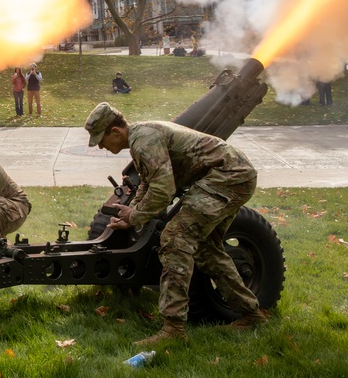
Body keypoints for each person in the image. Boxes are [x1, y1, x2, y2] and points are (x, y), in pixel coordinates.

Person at [85, 102, 268, 346]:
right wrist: (130, 214)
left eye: (101, 139)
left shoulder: (144, 140)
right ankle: (251, 314)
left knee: (174, 239)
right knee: (205, 248)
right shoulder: (140, 139)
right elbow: (148, 185)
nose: (101, 146)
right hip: (231, 176)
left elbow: (163, 191)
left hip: (227, 177)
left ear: (116, 132)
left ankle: (173, 329)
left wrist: (135, 216)